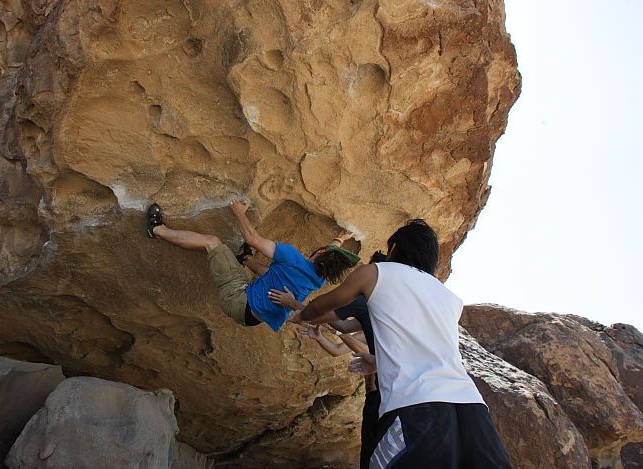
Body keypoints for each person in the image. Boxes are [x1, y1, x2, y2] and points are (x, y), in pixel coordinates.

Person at [289, 219, 511, 468]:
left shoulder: (376, 273)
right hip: (472, 409)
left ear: (394, 248)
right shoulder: (450, 298)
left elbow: (322, 305)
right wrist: (380, 361)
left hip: (417, 408)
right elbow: (426, 349)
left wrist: (303, 314)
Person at [145, 200, 358, 331]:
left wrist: (238, 212)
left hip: (238, 300)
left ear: (319, 253)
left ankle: (156, 229)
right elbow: (327, 254)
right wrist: (340, 239)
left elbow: (252, 238)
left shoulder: (293, 257)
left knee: (212, 242)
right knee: (271, 275)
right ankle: (244, 259)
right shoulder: (318, 279)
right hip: (252, 316)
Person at [271, 250, 387, 469]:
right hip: (375, 391)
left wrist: (295, 304)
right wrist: (320, 335)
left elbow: (329, 321)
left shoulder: (367, 303)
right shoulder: (375, 310)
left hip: (384, 392)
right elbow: (341, 332)